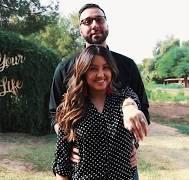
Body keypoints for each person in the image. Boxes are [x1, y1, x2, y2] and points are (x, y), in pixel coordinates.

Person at [49, 3, 150, 179]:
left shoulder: (127, 66)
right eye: (87, 21)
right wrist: (69, 144)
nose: (94, 25)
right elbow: (54, 113)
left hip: (124, 168)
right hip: (83, 169)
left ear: (107, 24)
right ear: (80, 30)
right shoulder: (64, 68)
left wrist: (133, 144)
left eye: (99, 19)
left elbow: (142, 109)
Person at [53, 45, 145, 179]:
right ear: (83, 71)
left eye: (106, 67)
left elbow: (131, 102)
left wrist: (130, 109)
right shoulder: (71, 107)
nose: (101, 74)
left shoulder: (123, 96)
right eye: (93, 69)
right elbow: (62, 165)